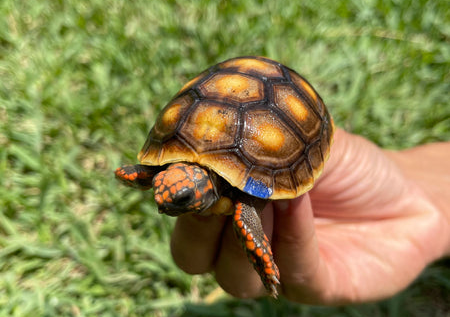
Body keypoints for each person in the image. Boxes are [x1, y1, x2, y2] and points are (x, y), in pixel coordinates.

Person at [170, 129, 450, 305]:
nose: (163, 205)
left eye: (181, 198)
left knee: (246, 217)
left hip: (268, 148)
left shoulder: (243, 200)